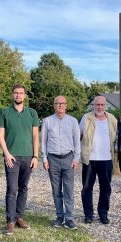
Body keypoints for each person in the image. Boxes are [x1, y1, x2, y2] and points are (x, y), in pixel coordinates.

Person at [0, 84, 40, 235]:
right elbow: (0, 135)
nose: (18, 95)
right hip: (12, 157)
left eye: (21, 93)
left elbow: (35, 136)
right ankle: (10, 221)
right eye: (16, 93)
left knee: (23, 188)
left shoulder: (32, 113)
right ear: (12, 95)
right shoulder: (5, 112)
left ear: (25, 96)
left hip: (28, 156)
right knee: (12, 189)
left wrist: (35, 156)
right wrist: (7, 154)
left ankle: (19, 217)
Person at [41, 95, 81, 230]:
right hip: (52, 159)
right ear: (54, 105)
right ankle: (59, 217)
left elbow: (77, 141)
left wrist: (76, 159)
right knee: (56, 190)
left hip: (68, 159)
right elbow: (43, 141)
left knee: (69, 190)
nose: (60, 105)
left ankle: (69, 219)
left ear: (66, 105)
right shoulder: (47, 121)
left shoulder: (73, 121)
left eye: (63, 103)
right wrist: (44, 158)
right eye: (57, 103)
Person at [79, 95, 118, 224]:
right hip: (89, 159)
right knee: (86, 188)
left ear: (105, 106)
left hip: (106, 159)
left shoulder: (112, 119)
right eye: (97, 105)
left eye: (102, 105)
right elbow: (78, 136)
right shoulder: (86, 118)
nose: (100, 107)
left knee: (106, 188)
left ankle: (103, 213)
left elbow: (116, 138)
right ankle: (88, 214)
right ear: (93, 105)